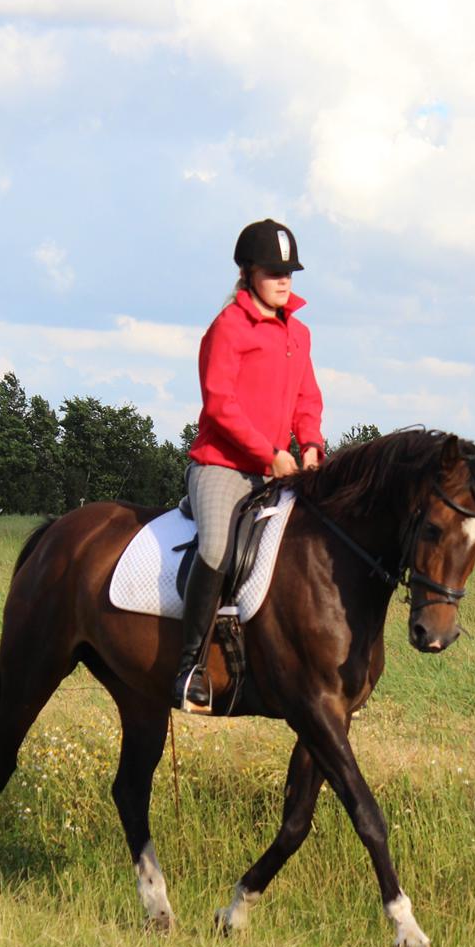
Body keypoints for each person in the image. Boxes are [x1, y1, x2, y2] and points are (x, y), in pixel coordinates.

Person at [173, 218, 325, 711]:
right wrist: (269, 453)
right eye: (274, 272)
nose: (285, 280)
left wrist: (310, 446)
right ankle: (189, 667)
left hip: (277, 467)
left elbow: (307, 398)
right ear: (248, 273)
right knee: (216, 548)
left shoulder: (298, 334)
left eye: (290, 273)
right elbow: (220, 404)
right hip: (222, 466)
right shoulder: (228, 328)